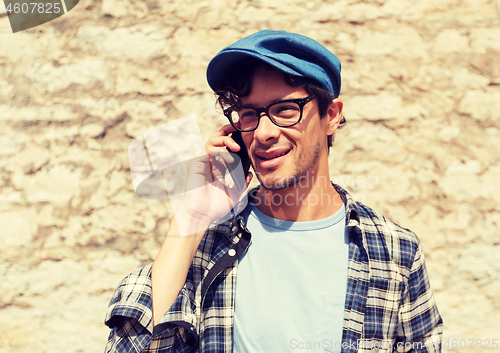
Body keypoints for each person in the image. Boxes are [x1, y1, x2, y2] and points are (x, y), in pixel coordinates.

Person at [104, 30, 443, 353]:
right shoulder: (206, 246)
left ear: (331, 116)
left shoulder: (394, 251)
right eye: (249, 114)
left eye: (284, 110)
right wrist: (190, 216)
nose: (263, 132)